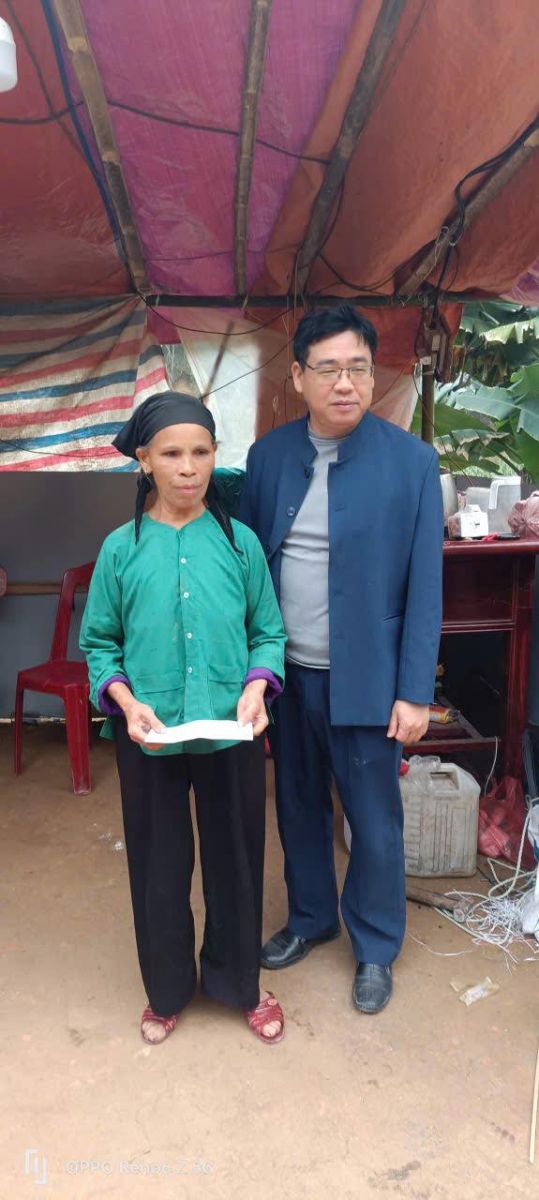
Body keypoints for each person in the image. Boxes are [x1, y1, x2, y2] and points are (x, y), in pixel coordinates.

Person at [240, 304, 443, 1015]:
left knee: (373, 819)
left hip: (369, 680)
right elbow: (249, 570)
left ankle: (376, 944)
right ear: (298, 377)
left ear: (372, 375)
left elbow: (425, 587)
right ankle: (310, 918)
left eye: (357, 367)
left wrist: (414, 692)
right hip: (287, 677)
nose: (345, 383)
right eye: (327, 369)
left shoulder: (411, 463)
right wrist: (251, 674)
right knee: (296, 805)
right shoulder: (268, 458)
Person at [80, 392, 287, 1045]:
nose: (189, 467)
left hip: (232, 731)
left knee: (236, 859)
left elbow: (268, 633)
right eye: (172, 453)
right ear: (144, 460)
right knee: (158, 866)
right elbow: (99, 644)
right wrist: (124, 700)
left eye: (201, 452)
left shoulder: (239, 543)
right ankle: (166, 990)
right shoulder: (120, 550)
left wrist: (257, 687)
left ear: (214, 455)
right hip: (150, 734)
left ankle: (239, 984)